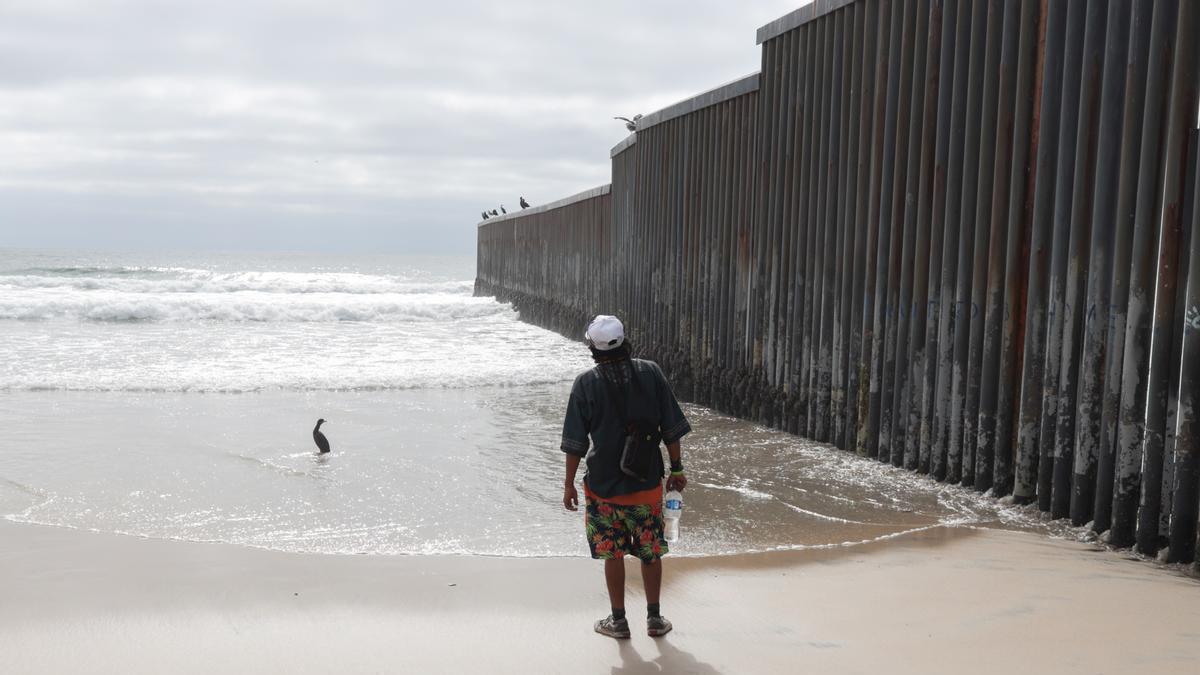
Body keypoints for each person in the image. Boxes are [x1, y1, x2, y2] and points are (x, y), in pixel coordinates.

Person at [560, 315, 690, 639]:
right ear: (624, 340)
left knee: (612, 553)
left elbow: (575, 443)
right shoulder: (651, 373)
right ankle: (655, 619)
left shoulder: (585, 384)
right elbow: (670, 427)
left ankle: (618, 622)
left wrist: (568, 484)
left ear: (593, 348)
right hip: (645, 485)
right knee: (650, 553)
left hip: (604, 489)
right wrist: (677, 469)